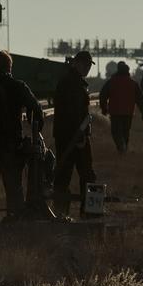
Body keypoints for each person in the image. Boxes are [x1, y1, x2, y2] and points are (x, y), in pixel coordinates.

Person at [0, 50, 44, 222]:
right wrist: (35, 133)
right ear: (9, 67)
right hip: (11, 148)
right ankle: (15, 226)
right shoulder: (18, 86)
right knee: (14, 192)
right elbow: (36, 111)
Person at [52, 49, 96, 218]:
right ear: (76, 63)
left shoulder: (72, 81)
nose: (87, 68)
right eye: (84, 64)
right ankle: (87, 212)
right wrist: (79, 136)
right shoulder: (72, 83)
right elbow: (73, 112)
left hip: (71, 136)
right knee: (84, 174)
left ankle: (62, 212)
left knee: (66, 175)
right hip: (73, 137)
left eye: (88, 65)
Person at [99, 60, 143, 153]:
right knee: (125, 132)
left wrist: (104, 108)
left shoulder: (111, 82)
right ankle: (124, 148)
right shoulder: (133, 83)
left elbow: (103, 95)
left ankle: (121, 148)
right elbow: (140, 99)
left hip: (115, 112)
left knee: (116, 132)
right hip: (128, 112)